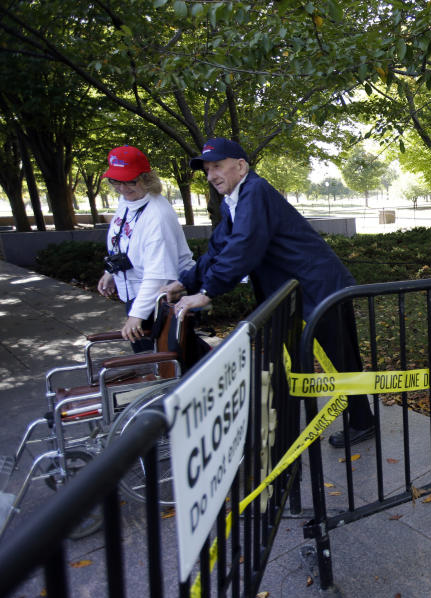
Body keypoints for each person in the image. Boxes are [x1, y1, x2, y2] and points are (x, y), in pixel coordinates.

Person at [163, 138, 374, 448]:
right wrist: (185, 283)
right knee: (282, 359)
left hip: (321, 287)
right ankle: (286, 421)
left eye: (217, 167)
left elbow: (244, 247)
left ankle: (362, 422)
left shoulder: (255, 192)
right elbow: (219, 248)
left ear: (241, 166)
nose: (211, 176)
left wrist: (208, 292)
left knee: (341, 358)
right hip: (292, 292)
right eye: (207, 170)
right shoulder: (234, 201)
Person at [96, 146, 195, 352]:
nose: (122, 188)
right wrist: (112, 271)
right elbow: (122, 240)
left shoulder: (157, 215)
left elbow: (158, 275)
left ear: (146, 178)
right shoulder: (128, 201)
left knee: (161, 360)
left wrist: (137, 315)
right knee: (156, 357)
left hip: (160, 299)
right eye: (116, 181)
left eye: (130, 181)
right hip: (138, 294)